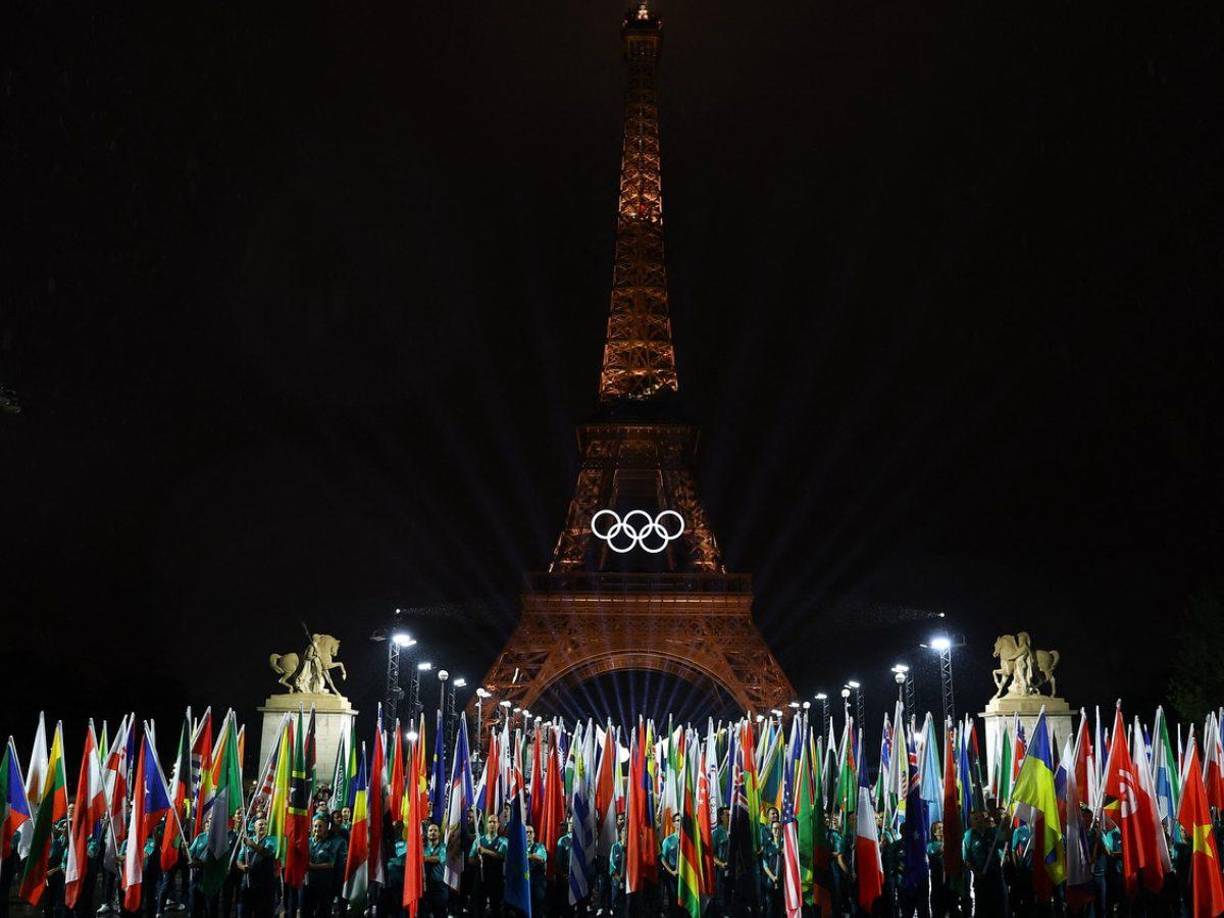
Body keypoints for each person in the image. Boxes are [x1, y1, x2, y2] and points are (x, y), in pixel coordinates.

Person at [304, 815, 346, 918]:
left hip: (325, 883)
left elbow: (331, 864)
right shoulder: (308, 841)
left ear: (327, 827)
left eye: (320, 826)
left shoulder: (334, 842)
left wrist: (312, 866)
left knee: (323, 910)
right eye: (315, 826)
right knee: (306, 909)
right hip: (308, 882)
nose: (317, 829)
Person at [236, 818, 277, 918]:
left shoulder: (271, 840)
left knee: (262, 912)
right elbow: (238, 860)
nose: (263, 826)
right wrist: (242, 867)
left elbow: (266, 852)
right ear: (254, 828)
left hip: (264, 885)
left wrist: (251, 844)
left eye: (265, 824)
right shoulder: (249, 840)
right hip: (248, 883)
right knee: (244, 912)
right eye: (260, 824)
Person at [472, 814, 507, 918]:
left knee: (496, 906)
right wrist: (479, 861)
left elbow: (501, 856)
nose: (492, 824)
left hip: (496, 878)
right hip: (481, 877)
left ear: (498, 825)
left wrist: (485, 851)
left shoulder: (503, 841)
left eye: (494, 822)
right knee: (479, 906)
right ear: (487, 825)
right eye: (490, 822)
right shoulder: (478, 840)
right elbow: (470, 859)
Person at [423, 824, 448, 918]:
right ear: (427, 833)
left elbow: (439, 858)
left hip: (440, 886)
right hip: (425, 886)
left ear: (439, 833)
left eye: (435, 830)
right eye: (430, 830)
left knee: (440, 913)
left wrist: (423, 858)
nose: (432, 832)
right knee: (424, 913)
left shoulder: (443, 847)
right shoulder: (422, 847)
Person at [761, 822, 783, 918]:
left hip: (783, 883)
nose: (776, 830)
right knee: (770, 908)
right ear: (771, 830)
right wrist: (773, 877)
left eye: (778, 828)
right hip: (770, 882)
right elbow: (765, 865)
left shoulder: (786, 845)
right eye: (774, 828)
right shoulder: (768, 845)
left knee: (781, 909)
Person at [711, 808, 729, 918]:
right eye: (727, 814)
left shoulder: (734, 830)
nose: (730, 816)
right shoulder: (717, 833)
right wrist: (721, 864)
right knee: (721, 895)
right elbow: (711, 854)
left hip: (734, 871)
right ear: (721, 817)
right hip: (721, 871)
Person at [526, 827, 548, 918]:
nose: (528, 834)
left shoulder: (539, 846)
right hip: (524, 883)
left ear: (534, 834)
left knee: (537, 909)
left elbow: (541, 858)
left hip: (537, 882)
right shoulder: (519, 847)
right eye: (526, 832)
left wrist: (528, 856)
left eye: (531, 832)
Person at [608, 826, 626, 918]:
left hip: (628, 883)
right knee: (616, 905)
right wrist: (619, 880)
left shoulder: (631, 849)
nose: (625, 832)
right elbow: (612, 866)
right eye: (623, 830)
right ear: (620, 834)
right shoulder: (615, 847)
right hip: (617, 881)